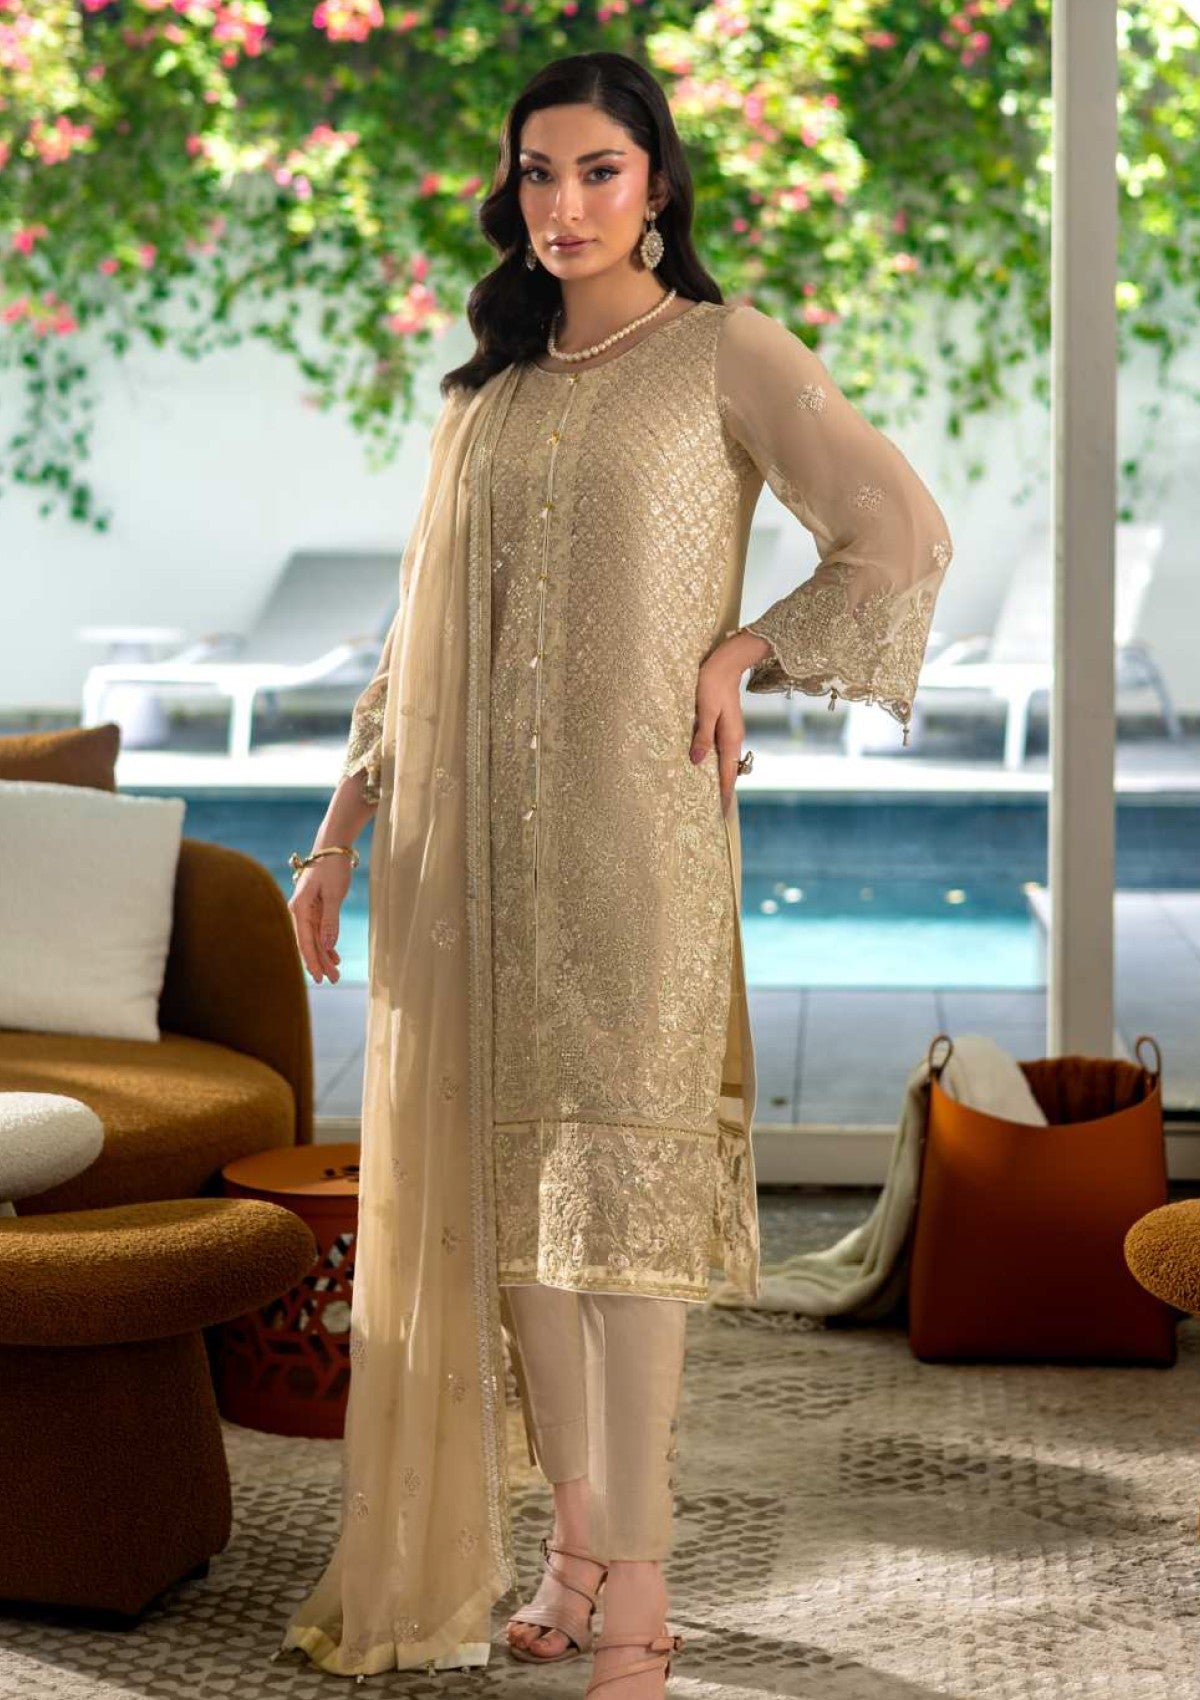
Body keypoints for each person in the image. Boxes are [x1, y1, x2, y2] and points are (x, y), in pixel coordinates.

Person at [279, 49, 953, 1695]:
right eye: (539, 172)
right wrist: (337, 835)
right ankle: (574, 1551)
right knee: (520, 1228)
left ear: (656, 182)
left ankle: (640, 1588)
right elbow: (417, 649)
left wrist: (748, 649)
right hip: (472, 872)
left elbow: (899, 532)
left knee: (628, 1226)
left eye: (598, 170)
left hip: (640, 849)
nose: (564, 204)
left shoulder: (725, 353)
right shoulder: (488, 400)